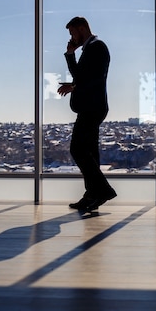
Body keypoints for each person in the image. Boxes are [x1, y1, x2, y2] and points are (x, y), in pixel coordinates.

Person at [57, 16, 117, 212]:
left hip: (92, 107)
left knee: (78, 150)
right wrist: (70, 53)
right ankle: (92, 195)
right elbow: (82, 76)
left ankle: (102, 191)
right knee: (89, 152)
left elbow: (92, 78)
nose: (72, 37)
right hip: (90, 107)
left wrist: (74, 85)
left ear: (82, 29)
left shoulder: (97, 47)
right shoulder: (90, 48)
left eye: (73, 33)